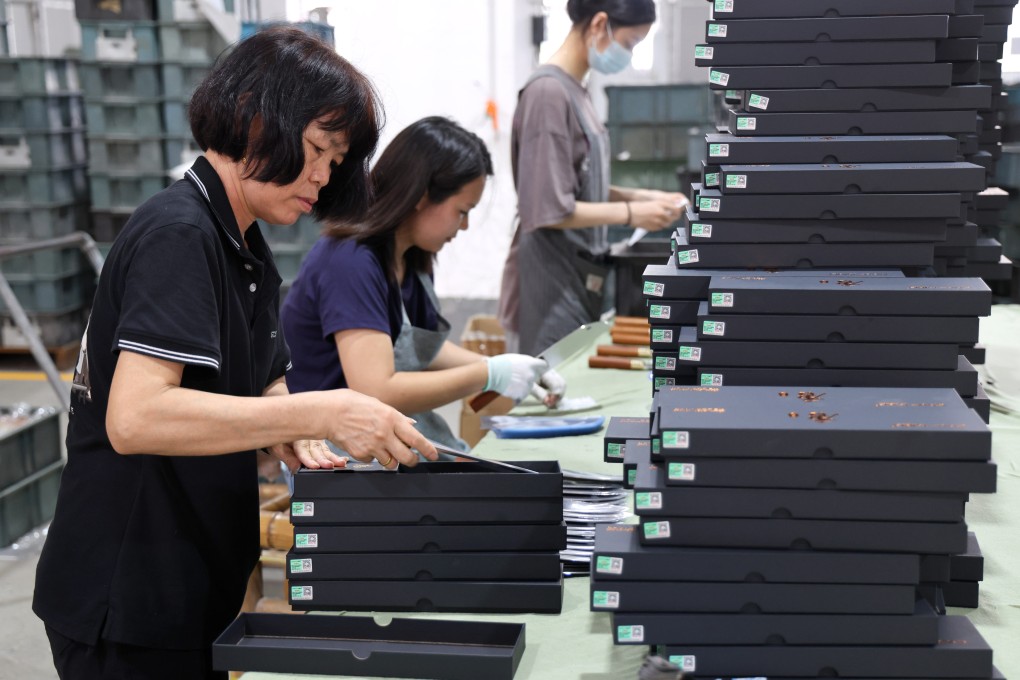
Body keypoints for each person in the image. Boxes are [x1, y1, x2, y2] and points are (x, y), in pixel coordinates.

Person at [32, 27, 436, 680]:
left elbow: (260, 385)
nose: (322, 176)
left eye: (335, 162)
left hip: (189, 583)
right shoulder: (179, 235)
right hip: (128, 595)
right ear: (255, 120)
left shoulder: (244, 247)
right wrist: (317, 414)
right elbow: (136, 418)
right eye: (316, 150)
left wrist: (294, 432)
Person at [282, 116, 563, 451]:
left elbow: (419, 350)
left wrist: (511, 367)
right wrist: (488, 375)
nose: (465, 226)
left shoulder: (412, 258)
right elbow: (377, 389)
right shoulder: (349, 261)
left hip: (384, 439)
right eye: (462, 211)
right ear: (422, 195)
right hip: (337, 454)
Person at [499, 0, 689, 356]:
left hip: (576, 272)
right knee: (547, 395)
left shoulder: (575, 91)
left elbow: (575, 180)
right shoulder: (547, 94)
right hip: (548, 280)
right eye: (629, 43)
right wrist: (632, 215)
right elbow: (549, 205)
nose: (627, 55)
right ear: (600, 24)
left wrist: (639, 196)